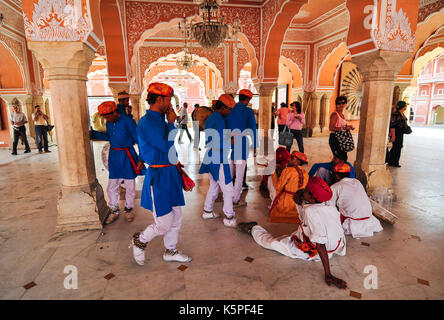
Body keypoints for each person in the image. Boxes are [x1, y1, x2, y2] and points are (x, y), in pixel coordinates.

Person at [238, 177, 347, 289]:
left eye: (305, 190)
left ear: (310, 197)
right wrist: (300, 199)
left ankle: (253, 229)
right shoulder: (328, 205)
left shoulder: (312, 212)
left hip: (317, 251)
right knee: (297, 231)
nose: (303, 190)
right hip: (332, 246)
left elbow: (320, 245)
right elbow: (304, 213)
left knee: (272, 243)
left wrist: (328, 274)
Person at [131, 82, 192, 265]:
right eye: (169, 99)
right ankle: (140, 241)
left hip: (170, 173)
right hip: (159, 176)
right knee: (164, 222)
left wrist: (169, 123)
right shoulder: (148, 121)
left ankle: (170, 250)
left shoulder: (159, 119)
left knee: (176, 216)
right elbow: (166, 145)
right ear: (159, 99)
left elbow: (150, 144)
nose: (170, 103)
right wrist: (172, 123)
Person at [90, 101, 144, 224]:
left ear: (115, 112)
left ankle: (128, 209)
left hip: (127, 155)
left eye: (109, 116)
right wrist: (93, 133)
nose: (107, 119)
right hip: (114, 156)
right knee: (111, 186)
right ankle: (114, 210)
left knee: (130, 186)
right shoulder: (109, 123)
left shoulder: (128, 121)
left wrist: (141, 158)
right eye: (105, 117)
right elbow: (109, 136)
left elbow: (138, 140)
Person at [199, 94, 238, 228]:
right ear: (223, 108)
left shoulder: (211, 118)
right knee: (228, 188)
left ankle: (208, 211)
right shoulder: (220, 121)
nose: (230, 112)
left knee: (214, 185)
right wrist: (232, 140)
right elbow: (221, 141)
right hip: (218, 157)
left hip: (210, 155)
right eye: (229, 109)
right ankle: (229, 216)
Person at [328, 163, 383, 238]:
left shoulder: (335, 187)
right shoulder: (357, 182)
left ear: (336, 175)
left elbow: (329, 206)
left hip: (351, 224)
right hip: (368, 220)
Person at [226, 89, 257, 207]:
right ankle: (235, 198)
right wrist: (255, 146)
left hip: (228, 142)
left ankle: (227, 195)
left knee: (229, 172)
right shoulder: (248, 112)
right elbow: (253, 129)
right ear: (248, 99)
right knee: (239, 173)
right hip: (241, 143)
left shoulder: (230, 110)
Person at [268, 151, 309, 224]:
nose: (288, 159)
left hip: (285, 205)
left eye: (292, 158)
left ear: (298, 161)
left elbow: (278, 187)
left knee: (270, 179)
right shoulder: (306, 173)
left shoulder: (287, 170)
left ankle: (272, 205)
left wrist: (273, 172)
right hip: (298, 207)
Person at [329, 96, 355, 161]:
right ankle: (333, 170)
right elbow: (331, 128)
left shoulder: (342, 115)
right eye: (339, 103)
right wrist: (344, 128)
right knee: (339, 159)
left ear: (345, 104)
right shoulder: (335, 115)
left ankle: (337, 170)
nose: (341, 105)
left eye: (343, 103)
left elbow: (343, 127)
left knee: (342, 158)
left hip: (341, 139)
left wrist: (349, 127)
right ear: (336, 105)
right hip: (335, 138)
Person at [387, 101, 409, 167]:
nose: (406, 107)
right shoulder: (395, 114)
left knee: (398, 147)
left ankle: (394, 161)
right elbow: (393, 126)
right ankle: (392, 162)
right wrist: (393, 136)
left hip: (400, 133)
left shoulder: (402, 113)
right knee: (396, 147)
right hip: (396, 132)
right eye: (405, 106)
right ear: (402, 107)